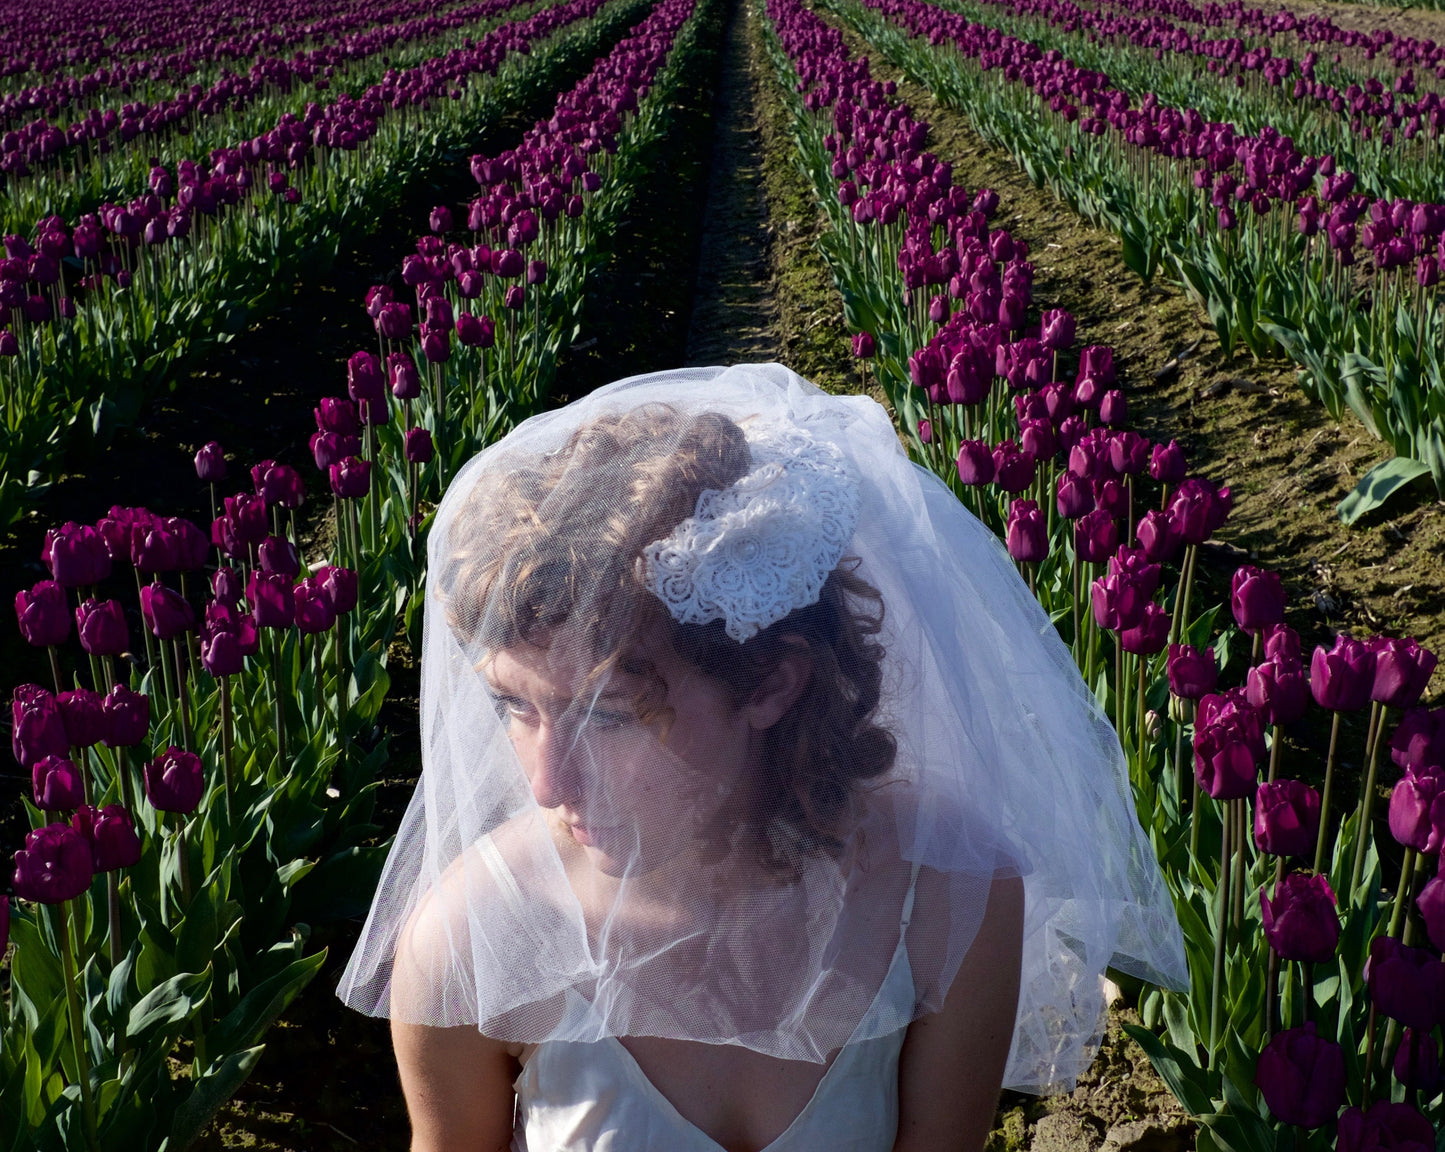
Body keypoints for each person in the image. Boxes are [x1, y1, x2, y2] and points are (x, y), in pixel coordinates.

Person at [337, 363, 1186, 1152]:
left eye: (611, 720)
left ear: (772, 685)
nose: (546, 782)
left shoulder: (943, 893)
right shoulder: (476, 940)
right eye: (513, 706)